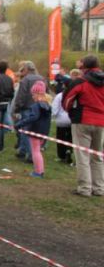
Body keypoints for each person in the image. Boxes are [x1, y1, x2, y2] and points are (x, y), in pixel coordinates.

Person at [63, 55, 104, 197]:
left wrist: (71, 112)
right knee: (97, 155)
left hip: (83, 120)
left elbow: (67, 99)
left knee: (82, 155)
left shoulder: (81, 81)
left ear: (84, 66)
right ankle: (99, 188)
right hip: (101, 121)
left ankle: (85, 188)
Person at [15, 81, 52, 177]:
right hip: (43, 132)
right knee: (38, 150)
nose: (32, 97)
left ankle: (38, 172)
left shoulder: (36, 106)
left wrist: (20, 123)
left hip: (35, 131)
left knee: (35, 151)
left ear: (39, 94)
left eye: (33, 94)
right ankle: (40, 170)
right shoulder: (47, 105)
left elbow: (33, 117)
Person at [12, 61, 45, 161]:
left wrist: (16, 108)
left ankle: (30, 155)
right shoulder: (41, 78)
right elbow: (46, 93)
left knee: (26, 131)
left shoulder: (25, 80)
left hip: (27, 108)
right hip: (39, 107)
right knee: (32, 131)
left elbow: (20, 96)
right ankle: (22, 150)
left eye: (23, 70)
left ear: (26, 70)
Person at [51, 69, 79, 164]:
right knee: (70, 138)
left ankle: (62, 155)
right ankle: (69, 151)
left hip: (61, 120)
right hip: (72, 119)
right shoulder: (76, 95)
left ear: (64, 85)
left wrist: (54, 116)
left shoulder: (59, 95)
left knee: (61, 138)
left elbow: (55, 109)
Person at [0, 60, 15, 151]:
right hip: (6, 104)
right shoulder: (9, 79)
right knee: (2, 125)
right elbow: (12, 92)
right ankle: (0, 145)